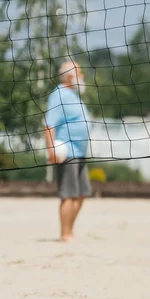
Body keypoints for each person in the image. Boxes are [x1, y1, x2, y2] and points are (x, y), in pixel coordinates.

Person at [43, 60, 92, 243]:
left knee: (82, 193)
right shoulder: (59, 95)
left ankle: (69, 231)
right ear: (71, 76)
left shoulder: (73, 95)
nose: (82, 77)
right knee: (68, 194)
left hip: (80, 152)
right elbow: (48, 125)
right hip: (67, 151)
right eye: (80, 73)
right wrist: (51, 150)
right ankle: (65, 234)